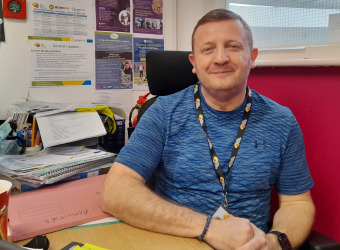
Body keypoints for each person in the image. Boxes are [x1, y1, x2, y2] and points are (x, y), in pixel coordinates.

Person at [101, 9, 315, 250]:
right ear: (194, 62)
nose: (220, 58)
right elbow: (115, 192)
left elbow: (297, 204)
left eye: (233, 46)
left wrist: (274, 243)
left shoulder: (281, 121)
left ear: (252, 57)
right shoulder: (163, 113)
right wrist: (209, 228)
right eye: (208, 49)